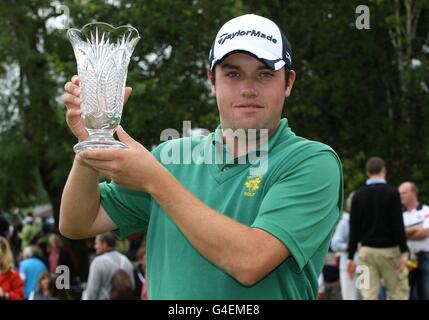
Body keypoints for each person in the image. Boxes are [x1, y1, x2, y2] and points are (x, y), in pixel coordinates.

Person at [60, 14, 343, 299]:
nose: (248, 88)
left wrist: (156, 181)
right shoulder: (171, 155)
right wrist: (91, 143)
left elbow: (250, 262)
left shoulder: (312, 162)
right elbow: (78, 222)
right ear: (212, 81)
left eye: (264, 74)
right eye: (232, 73)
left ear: (288, 83)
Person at [347, 157, 409, 300]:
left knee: (368, 294)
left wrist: (350, 256)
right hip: (390, 252)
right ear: (384, 170)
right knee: (398, 293)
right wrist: (404, 250)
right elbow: (397, 224)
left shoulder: (358, 195)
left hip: (366, 253)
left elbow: (354, 227)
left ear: (367, 172)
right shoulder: (392, 193)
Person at [399, 182, 429, 300]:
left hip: (425, 256)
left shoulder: (426, 210)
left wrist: (404, 233)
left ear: (414, 193)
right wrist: (417, 228)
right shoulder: (399, 214)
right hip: (407, 258)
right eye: (400, 193)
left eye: (404, 193)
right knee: (406, 293)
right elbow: (397, 234)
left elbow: (426, 233)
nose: (401, 195)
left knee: (426, 292)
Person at [83, 232, 134, 300]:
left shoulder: (98, 262)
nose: (95, 246)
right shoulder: (126, 260)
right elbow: (132, 286)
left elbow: (91, 292)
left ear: (104, 244)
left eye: (97, 243)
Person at [331, 192, 360, 300]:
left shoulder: (367, 221)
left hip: (364, 267)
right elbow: (335, 244)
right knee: (350, 298)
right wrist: (351, 247)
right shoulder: (345, 222)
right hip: (347, 267)